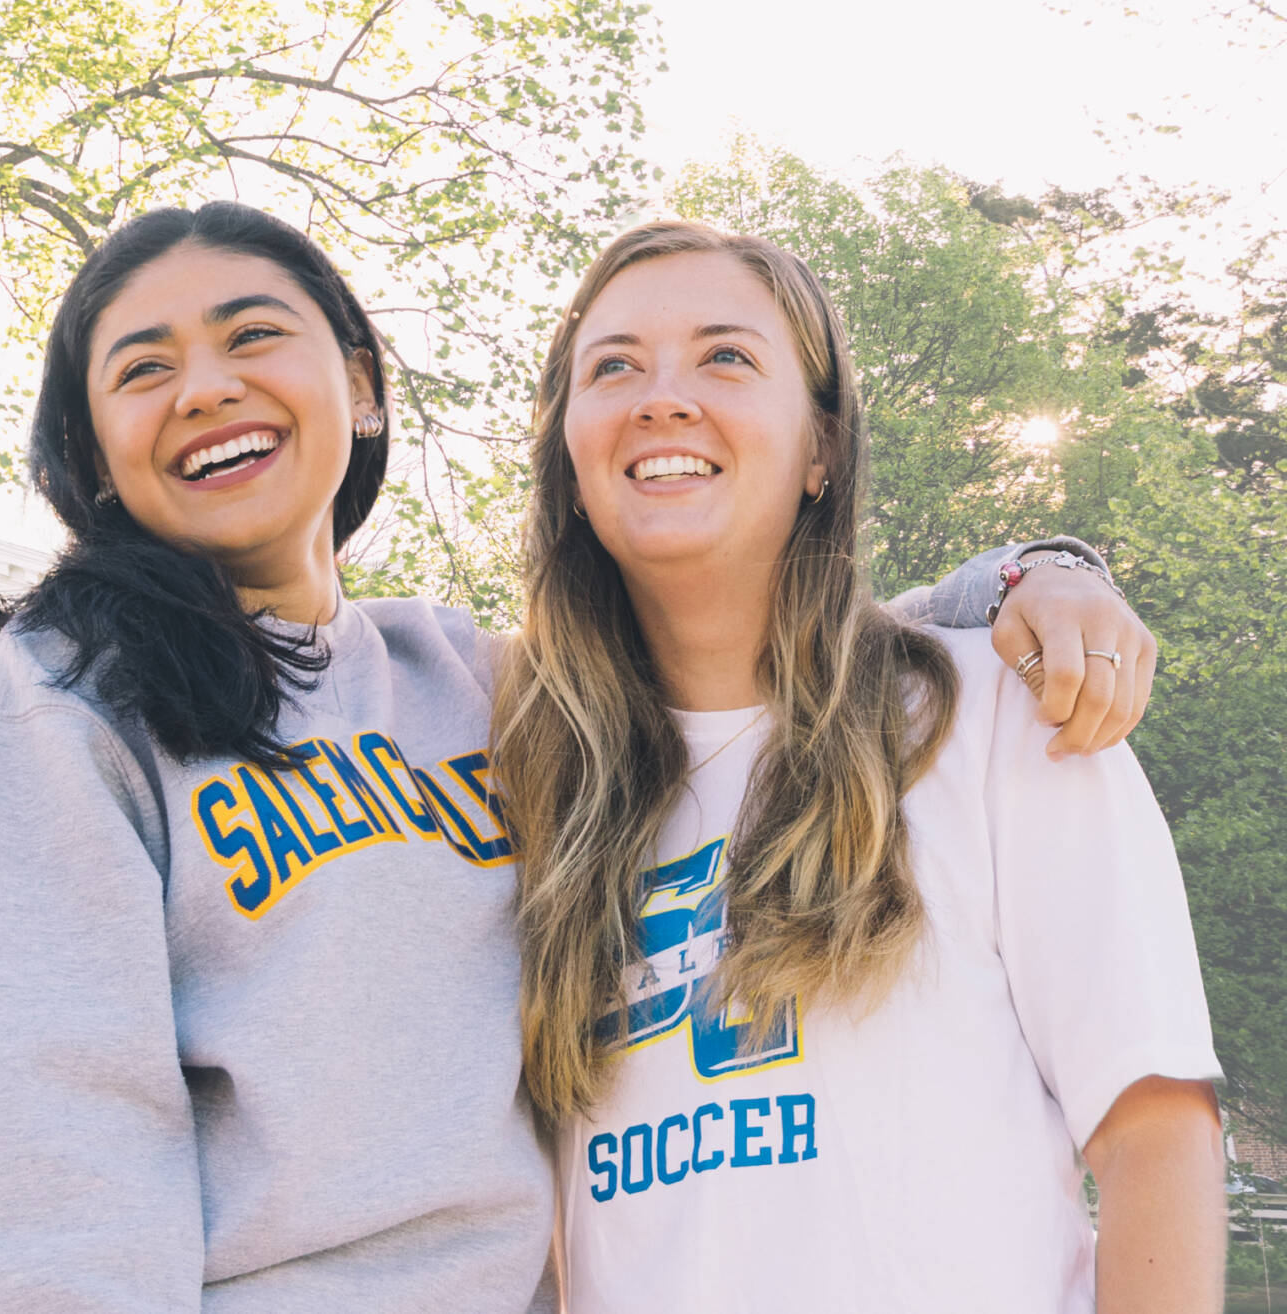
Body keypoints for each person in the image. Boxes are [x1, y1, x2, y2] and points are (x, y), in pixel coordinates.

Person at [0, 202, 1150, 1312]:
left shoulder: (465, 684)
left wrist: (1034, 579)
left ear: (363, 385)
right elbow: (35, 1167)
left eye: (251, 334)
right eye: (142, 368)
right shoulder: (64, 712)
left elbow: (761, 654)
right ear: (95, 458)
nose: (204, 386)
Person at [491, 221, 1222, 1312]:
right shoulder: (519, 783)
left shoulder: (996, 716)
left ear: (821, 449)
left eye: (725, 357)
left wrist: (1038, 570)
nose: (662, 397)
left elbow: (1154, 1126)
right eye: (613, 368)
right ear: (571, 455)